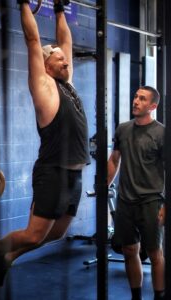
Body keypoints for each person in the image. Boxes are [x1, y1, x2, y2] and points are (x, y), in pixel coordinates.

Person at [0, 0, 90, 287]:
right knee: (35, 234)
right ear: (46, 65)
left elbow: (65, 41)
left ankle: (6, 258)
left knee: (57, 234)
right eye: (59, 59)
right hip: (52, 171)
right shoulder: (44, 86)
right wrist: (24, 4)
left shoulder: (68, 85)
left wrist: (60, 10)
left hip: (74, 173)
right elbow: (34, 39)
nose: (65, 61)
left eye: (65, 58)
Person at [108, 86, 165, 300]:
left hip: (151, 200)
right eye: (135, 97)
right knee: (130, 251)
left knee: (154, 253)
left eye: (142, 99)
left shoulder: (161, 133)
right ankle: (136, 297)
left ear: (152, 106)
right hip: (125, 200)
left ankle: (159, 295)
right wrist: (104, 186)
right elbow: (114, 160)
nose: (136, 101)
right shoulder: (123, 129)